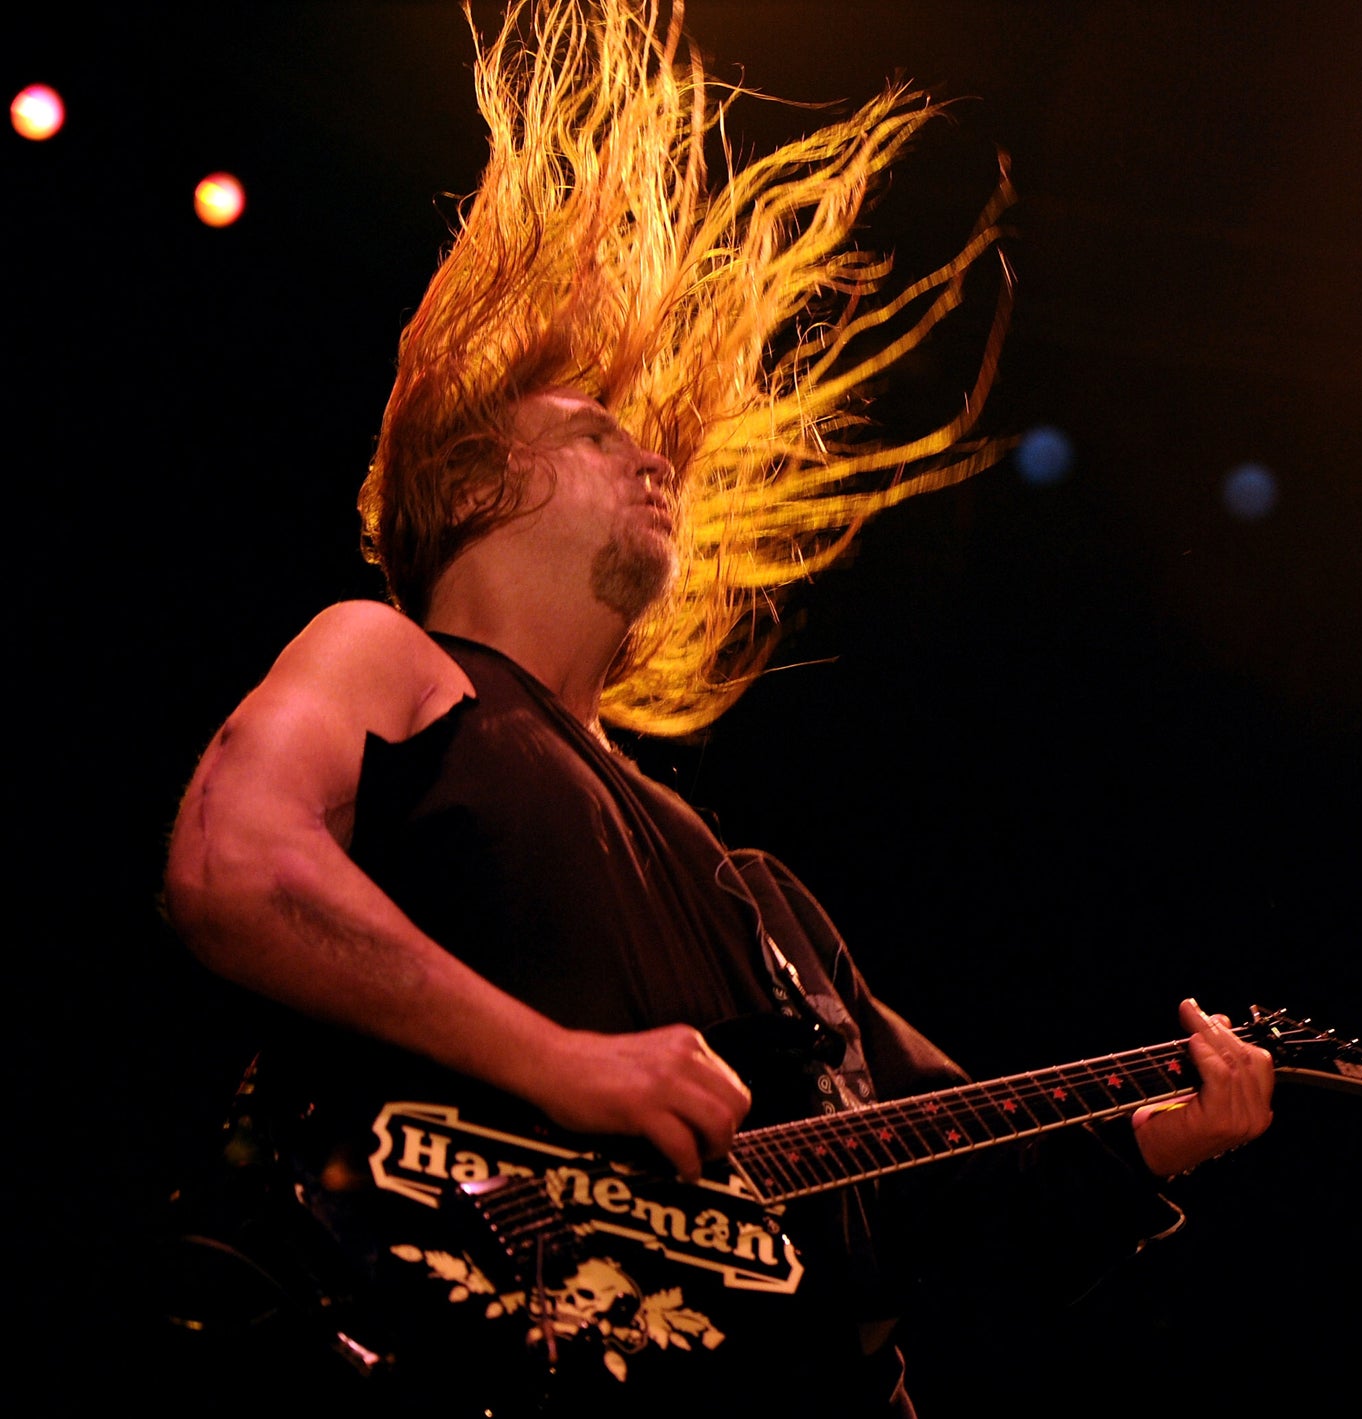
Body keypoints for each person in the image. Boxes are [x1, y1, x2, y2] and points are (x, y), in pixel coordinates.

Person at [160, 3, 1273, 1413]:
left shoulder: (758, 903)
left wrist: (1164, 1134)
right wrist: (560, 1067)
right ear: (480, 486)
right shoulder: (393, 661)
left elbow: (936, 1197)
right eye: (597, 434)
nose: (655, 464)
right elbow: (237, 868)